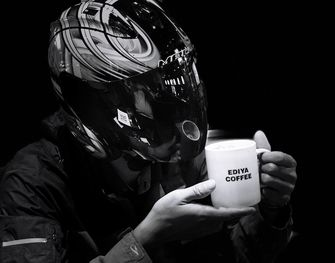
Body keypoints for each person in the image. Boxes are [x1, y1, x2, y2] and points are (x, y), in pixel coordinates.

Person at [0, 0, 297, 262]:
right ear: (94, 103)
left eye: (173, 84)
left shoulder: (179, 153)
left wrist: (271, 210)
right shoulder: (31, 184)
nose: (175, 106)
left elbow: (236, 255)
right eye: (151, 92)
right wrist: (144, 240)